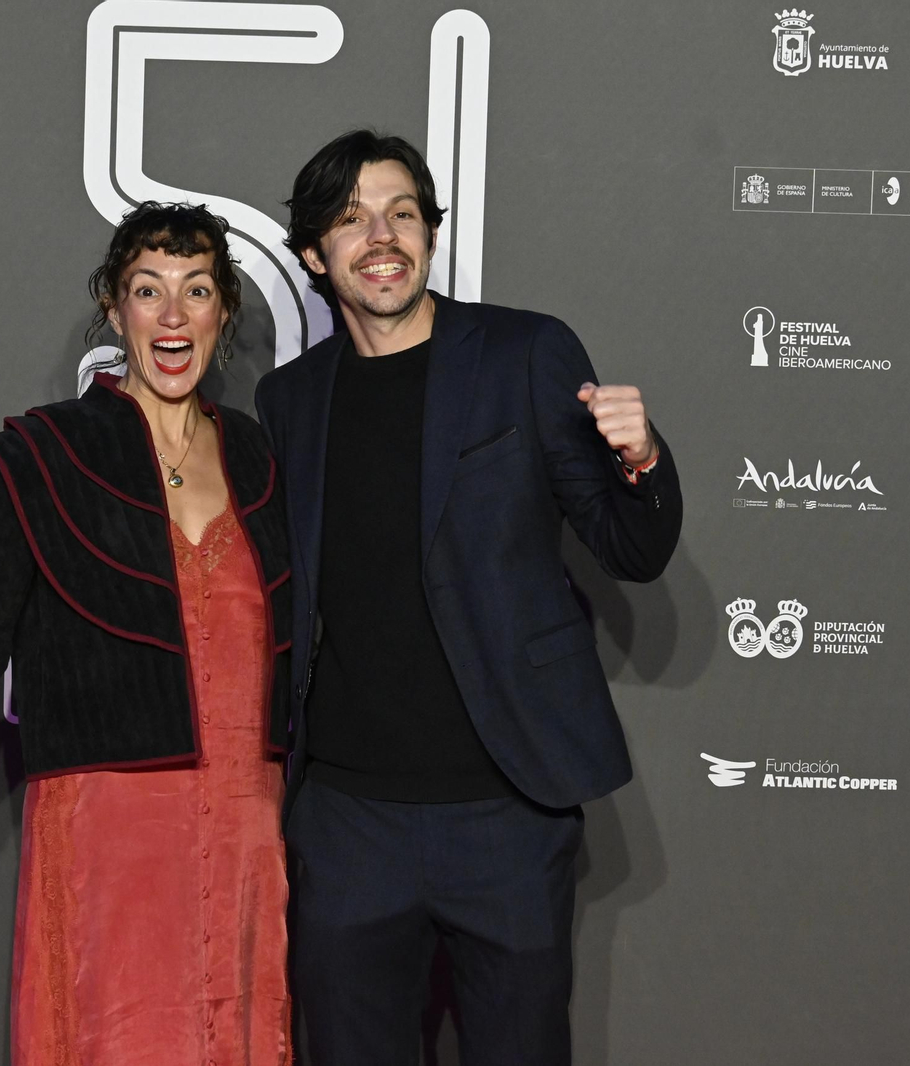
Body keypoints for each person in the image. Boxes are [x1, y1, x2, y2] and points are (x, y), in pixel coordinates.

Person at [254, 131, 683, 1065]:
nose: (383, 236)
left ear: (431, 234)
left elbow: (632, 547)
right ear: (312, 253)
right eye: (353, 218)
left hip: (507, 813)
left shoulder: (524, 352)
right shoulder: (289, 399)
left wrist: (642, 458)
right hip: (347, 823)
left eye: (403, 213)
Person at [0, 202, 294, 1066]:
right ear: (114, 306)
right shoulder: (48, 451)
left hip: (251, 821)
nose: (173, 315)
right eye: (149, 290)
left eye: (197, 291)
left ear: (224, 315)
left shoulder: (260, 458)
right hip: (114, 825)